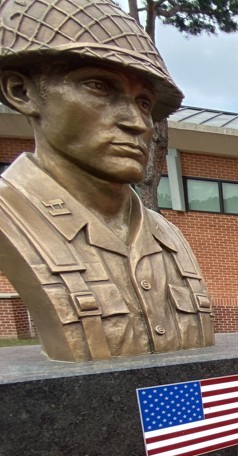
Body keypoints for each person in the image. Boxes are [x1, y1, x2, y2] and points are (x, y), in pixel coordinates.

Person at [0, 0, 213, 362]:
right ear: (22, 92)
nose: (137, 123)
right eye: (99, 86)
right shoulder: (10, 218)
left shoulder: (169, 238)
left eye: (144, 103)